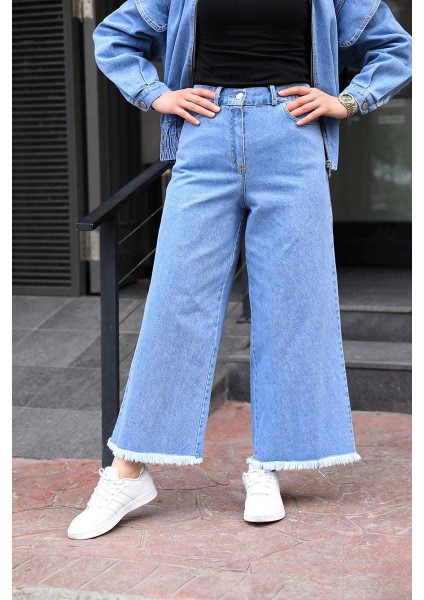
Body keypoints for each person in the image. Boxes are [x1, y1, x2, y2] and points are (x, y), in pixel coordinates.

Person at [67, 0, 412, 539]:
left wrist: (348, 100)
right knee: (175, 302)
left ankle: (269, 465)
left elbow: (394, 48)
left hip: (292, 138)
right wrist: (156, 94)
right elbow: (114, 36)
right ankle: (127, 470)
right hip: (204, 135)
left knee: (290, 305)